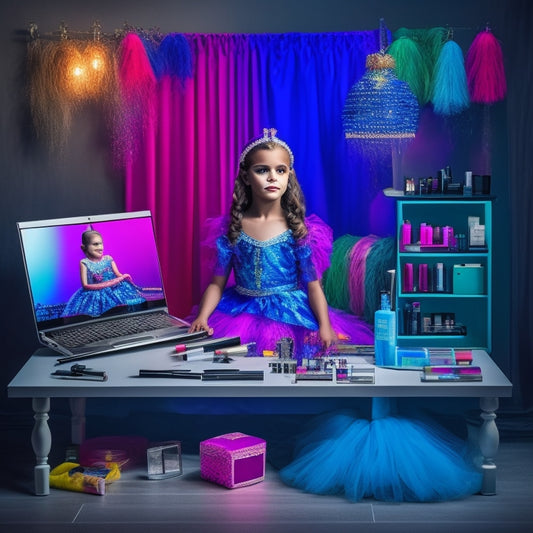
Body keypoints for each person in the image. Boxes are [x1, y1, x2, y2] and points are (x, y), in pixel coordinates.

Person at [188, 127, 374, 355]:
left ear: (289, 175)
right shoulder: (230, 228)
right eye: (262, 170)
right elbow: (217, 284)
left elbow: (313, 286)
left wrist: (325, 325)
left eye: (280, 170)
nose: (272, 177)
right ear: (246, 176)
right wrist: (203, 317)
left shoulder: (300, 230)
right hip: (241, 312)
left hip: (290, 314)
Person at [62, 228, 145, 318]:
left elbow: (118, 274)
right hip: (95, 294)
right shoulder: (84, 262)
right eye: (95, 244)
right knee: (99, 314)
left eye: (101, 243)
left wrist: (124, 277)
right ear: (84, 247)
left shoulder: (108, 259)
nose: (100, 247)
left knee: (124, 309)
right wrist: (108, 283)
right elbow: (85, 285)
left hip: (115, 289)